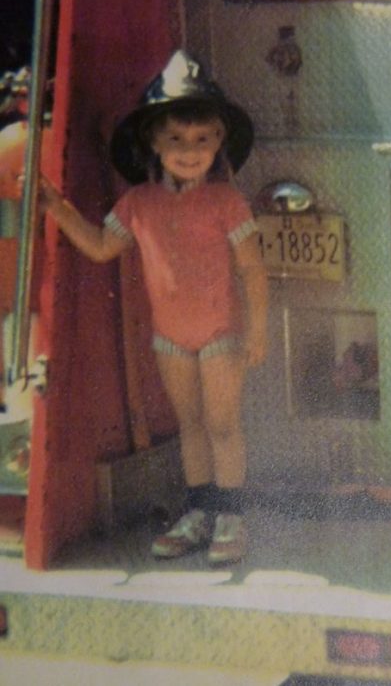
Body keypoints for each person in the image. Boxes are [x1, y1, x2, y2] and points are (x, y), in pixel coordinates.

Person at [40, 50, 268, 564]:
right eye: (176, 140)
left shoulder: (227, 202)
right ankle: (200, 512)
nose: (190, 151)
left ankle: (233, 515)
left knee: (223, 424)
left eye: (203, 140)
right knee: (190, 424)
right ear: (153, 143)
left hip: (220, 334)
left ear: (219, 143)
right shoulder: (138, 204)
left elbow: (252, 270)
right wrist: (58, 208)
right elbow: (100, 246)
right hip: (170, 337)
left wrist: (258, 331)